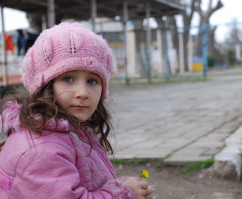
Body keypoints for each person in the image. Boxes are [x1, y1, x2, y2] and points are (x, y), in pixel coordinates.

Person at [0, 22, 153, 199]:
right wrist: (123, 194)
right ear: (44, 86)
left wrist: (121, 187)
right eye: (67, 78)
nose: (82, 93)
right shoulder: (43, 149)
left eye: (92, 81)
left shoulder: (68, 130)